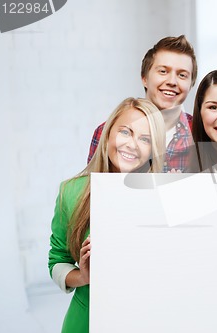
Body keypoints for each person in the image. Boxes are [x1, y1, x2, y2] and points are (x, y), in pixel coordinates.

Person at [48, 98, 165, 333]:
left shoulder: (165, 198)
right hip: (87, 321)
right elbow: (57, 261)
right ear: (109, 133)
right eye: (125, 132)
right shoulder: (71, 192)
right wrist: (83, 276)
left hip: (147, 320)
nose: (132, 144)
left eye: (145, 139)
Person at [87, 35, 197, 172]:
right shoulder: (106, 133)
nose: (172, 82)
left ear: (191, 84)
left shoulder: (201, 136)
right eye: (163, 71)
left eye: (182, 75)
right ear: (144, 78)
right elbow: (95, 188)